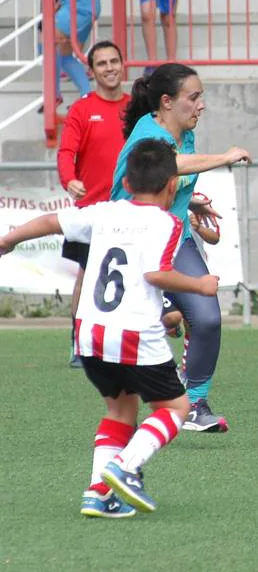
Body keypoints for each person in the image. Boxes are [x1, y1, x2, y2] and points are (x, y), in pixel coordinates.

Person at [0, 139, 218, 518]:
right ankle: (125, 467)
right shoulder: (168, 222)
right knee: (177, 407)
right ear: (172, 185)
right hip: (133, 335)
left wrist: (9, 239)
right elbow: (154, 273)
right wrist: (200, 286)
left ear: (127, 183)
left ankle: (97, 494)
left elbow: (53, 221)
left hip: (89, 334)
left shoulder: (102, 212)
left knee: (120, 411)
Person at [112, 63, 251, 433]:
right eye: (194, 97)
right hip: (134, 242)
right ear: (166, 102)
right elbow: (168, 166)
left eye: (200, 96)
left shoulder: (184, 132)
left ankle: (195, 402)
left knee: (206, 317)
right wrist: (225, 157)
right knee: (160, 323)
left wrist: (190, 203)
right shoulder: (148, 134)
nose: (201, 105)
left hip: (175, 239)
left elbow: (171, 176)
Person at [57, 40, 132, 369]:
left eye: (114, 61)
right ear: (91, 71)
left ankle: (128, 342)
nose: (110, 68)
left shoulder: (137, 108)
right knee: (88, 277)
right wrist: (68, 179)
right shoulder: (82, 109)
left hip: (132, 209)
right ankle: (78, 342)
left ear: (122, 64)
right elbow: (65, 153)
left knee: (139, 274)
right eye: (102, 63)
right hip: (92, 209)